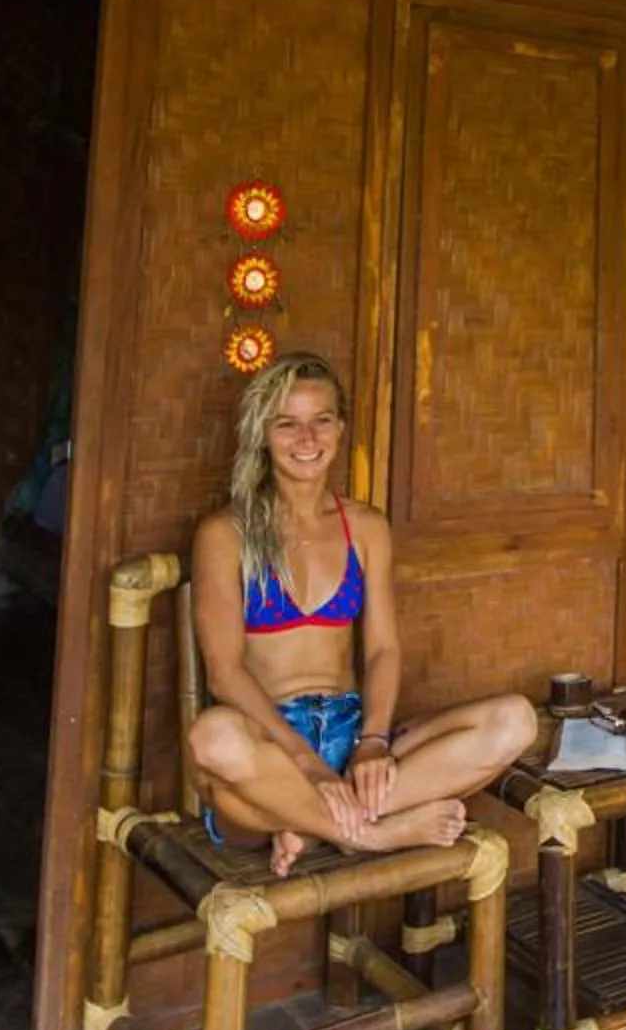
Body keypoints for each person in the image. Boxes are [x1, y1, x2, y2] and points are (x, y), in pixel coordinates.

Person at [186, 351, 535, 875]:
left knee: (515, 721)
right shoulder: (224, 535)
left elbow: (383, 649)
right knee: (212, 738)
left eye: (321, 421)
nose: (307, 439)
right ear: (262, 432)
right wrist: (305, 763)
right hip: (271, 742)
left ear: (341, 426)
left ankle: (305, 824)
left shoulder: (365, 527)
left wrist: (372, 742)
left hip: (351, 733)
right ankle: (370, 835)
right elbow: (225, 673)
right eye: (287, 424)